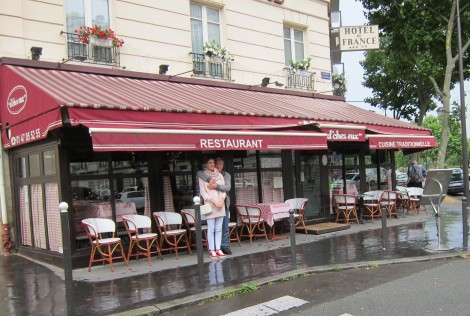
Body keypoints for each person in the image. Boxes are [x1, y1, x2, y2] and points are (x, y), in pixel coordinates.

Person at [197, 157, 232, 255]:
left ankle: (220, 248)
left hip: (222, 205)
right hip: (211, 205)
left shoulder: (222, 175)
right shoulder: (203, 175)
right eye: (210, 163)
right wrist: (213, 201)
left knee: (220, 228)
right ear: (207, 164)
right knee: (211, 229)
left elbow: (226, 189)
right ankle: (212, 249)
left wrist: (221, 200)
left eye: (213, 163)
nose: (213, 165)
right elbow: (203, 193)